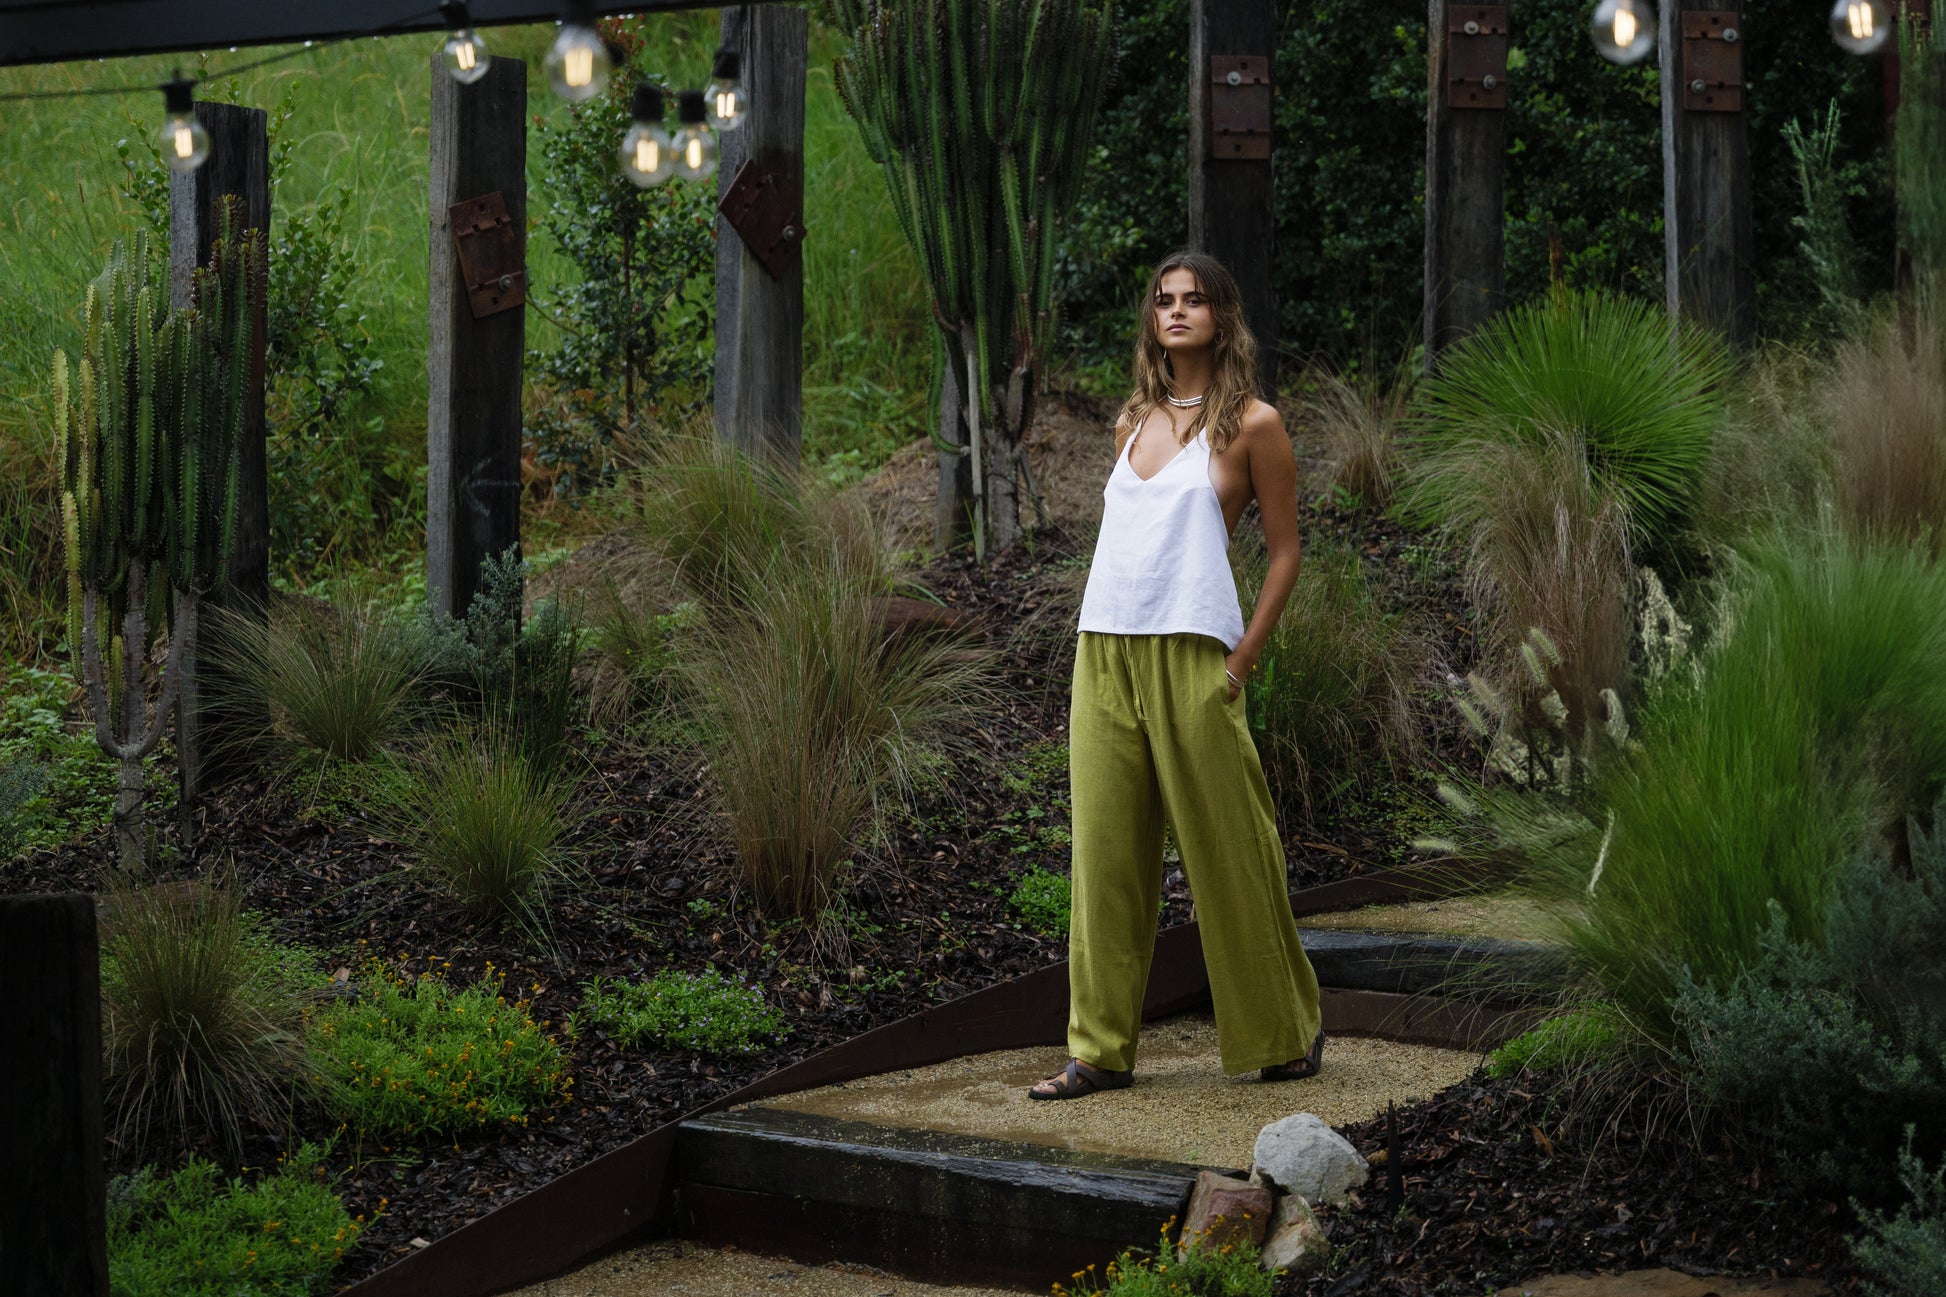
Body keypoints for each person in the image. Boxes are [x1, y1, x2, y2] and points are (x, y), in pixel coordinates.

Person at [1029, 250, 1324, 1101]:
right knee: (1105, 855)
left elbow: (1284, 551)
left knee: (1231, 848)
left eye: (1196, 299)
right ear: (1152, 319)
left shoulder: (1254, 426)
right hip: (1106, 648)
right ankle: (1099, 1051)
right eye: (1165, 300)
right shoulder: (1132, 424)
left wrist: (1243, 660)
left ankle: (1284, 1029)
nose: (1179, 311)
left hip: (1195, 653)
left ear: (1223, 317)